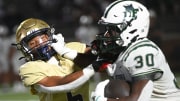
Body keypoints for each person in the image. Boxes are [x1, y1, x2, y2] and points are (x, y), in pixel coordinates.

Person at [90, 0, 180, 101]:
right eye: (107, 29)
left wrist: (103, 100)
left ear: (131, 28)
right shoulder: (123, 51)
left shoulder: (143, 51)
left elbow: (139, 99)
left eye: (112, 29)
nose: (107, 34)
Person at [13, 18, 98, 101]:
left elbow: (97, 55)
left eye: (43, 38)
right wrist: (94, 67)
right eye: (32, 43)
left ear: (50, 35)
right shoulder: (29, 68)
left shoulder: (71, 47)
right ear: (25, 49)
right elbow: (60, 85)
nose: (40, 44)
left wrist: (65, 51)